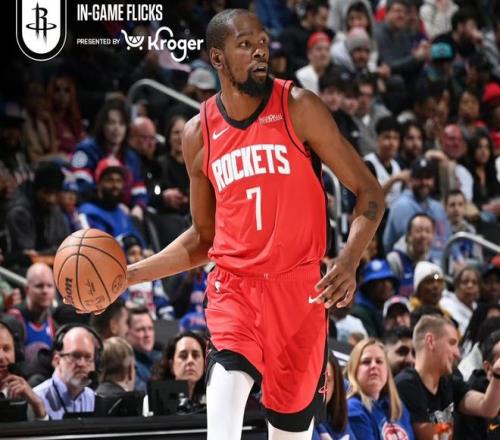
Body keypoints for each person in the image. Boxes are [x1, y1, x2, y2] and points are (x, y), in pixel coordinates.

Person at [95, 9, 385, 440]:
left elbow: (370, 192)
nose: (259, 52)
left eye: (262, 42)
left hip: (300, 294)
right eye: (245, 45)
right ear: (217, 57)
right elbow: (202, 238)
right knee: (223, 428)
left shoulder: (298, 107)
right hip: (236, 291)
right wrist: (128, 276)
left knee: (289, 434)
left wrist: (348, 260)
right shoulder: (199, 134)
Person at [396, 315, 500, 439]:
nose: (457, 353)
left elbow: (487, 408)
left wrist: (497, 374)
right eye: (452, 343)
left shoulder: (448, 381)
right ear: (430, 341)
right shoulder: (406, 384)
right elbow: (427, 436)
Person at [346, 338, 415, 440]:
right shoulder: (352, 409)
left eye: (379, 361)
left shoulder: (398, 407)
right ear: (354, 370)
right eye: (366, 362)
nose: (374, 365)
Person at [34, 325, 101, 420]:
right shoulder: (37, 399)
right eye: (75, 356)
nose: (82, 363)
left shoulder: (94, 399)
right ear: (57, 360)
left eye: (88, 357)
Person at [7, 263, 56, 364]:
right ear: (27, 289)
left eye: (49, 286)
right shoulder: (13, 320)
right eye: (39, 286)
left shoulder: (52, 323)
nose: (45, 291)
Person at [0, 317, 47, 421]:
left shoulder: (25, 395)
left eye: (6, 349)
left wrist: (38, 406)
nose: (1, 357)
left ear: (16, 354)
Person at [151, 331, 206, 411]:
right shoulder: (155, 401)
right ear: (171, 365)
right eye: (183, 356)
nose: (190, 360)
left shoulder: (212, 399)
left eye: (195, 355)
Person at [312, 353, 356, 440]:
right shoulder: (297, 423)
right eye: (316, 378)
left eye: (327, 380)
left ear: (335, 386)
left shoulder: (337, 417)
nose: (321, 387)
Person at [125, 307, 161, 393]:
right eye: (140, 329)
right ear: (126, 332)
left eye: (150, 328)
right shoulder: (123, 364)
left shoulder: (161, 358)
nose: (147, 334)